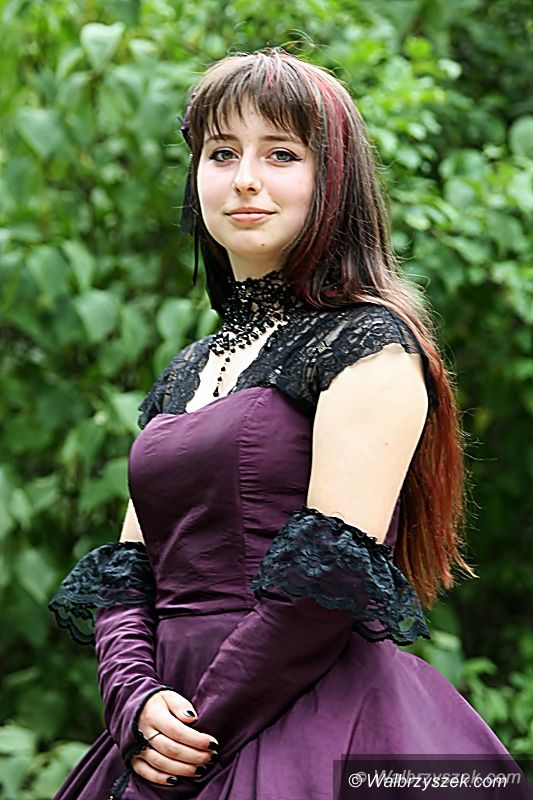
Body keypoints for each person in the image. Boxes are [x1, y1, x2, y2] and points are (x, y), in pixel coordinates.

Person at [48, 47, 527, 800]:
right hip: (161, 719)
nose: (245, 178)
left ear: (332, 180)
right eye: (221, 153)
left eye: (281, 154)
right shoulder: (188, 368)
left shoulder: (366, 342)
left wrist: (194, 739)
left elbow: (325, 581)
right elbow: (128, 568)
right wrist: (133, 700)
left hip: (296, 717)